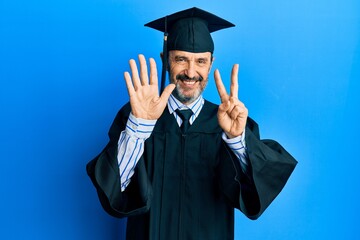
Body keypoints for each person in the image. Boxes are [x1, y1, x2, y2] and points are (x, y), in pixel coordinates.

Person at [87, 7, 297, 240]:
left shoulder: (229, 124)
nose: (191, 72)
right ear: (166, 60)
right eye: (181, 59)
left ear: (210, 64)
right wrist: (140, 127)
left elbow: (254, 194)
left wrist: (237, 142)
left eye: (200, 61)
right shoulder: (137, 117)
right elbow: (114, 189)